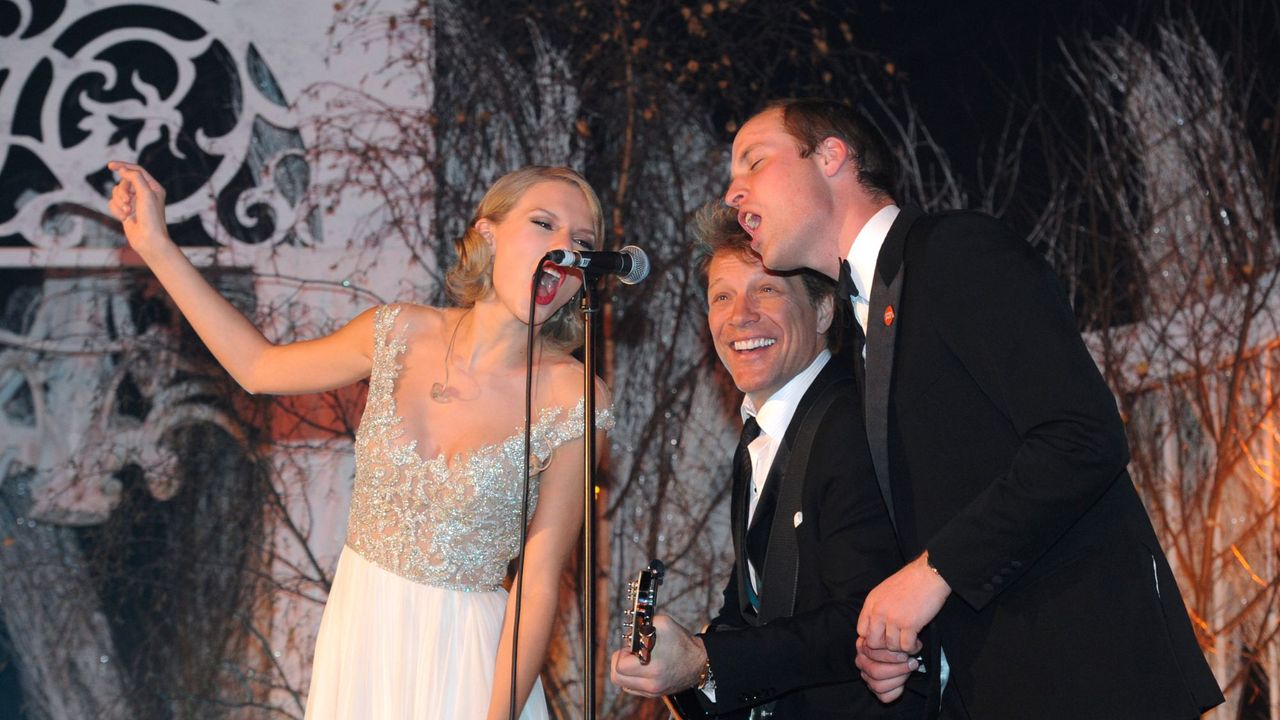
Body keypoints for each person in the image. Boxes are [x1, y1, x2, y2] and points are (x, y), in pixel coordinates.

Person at [722, 98, 1224, 719]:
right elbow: (954, 501)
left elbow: (1082, 437)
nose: (732, 192)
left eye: (754, 161)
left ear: (831, 156)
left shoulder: (954, 251)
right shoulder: (863, 333)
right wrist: (901, 644)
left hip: (1086, 678)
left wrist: (930, 575)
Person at [106, 161, 614, 719]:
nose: (565, 248)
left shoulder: (573, 395)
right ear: (487, 233)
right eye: (544, 224)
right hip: (362, 640)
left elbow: (538, 583)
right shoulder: (399, 331)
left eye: (582, 241)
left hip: (470, 663)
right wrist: (156, 246)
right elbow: (257, 367)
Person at [609, 205, 921, 718]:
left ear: (824, 311)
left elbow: (865, 620)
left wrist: (704, 661)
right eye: (721, 297)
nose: (740, 316)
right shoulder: (762, 433)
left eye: (767, 290)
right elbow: (749, 611)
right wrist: (682, 667)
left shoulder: (850, 424)